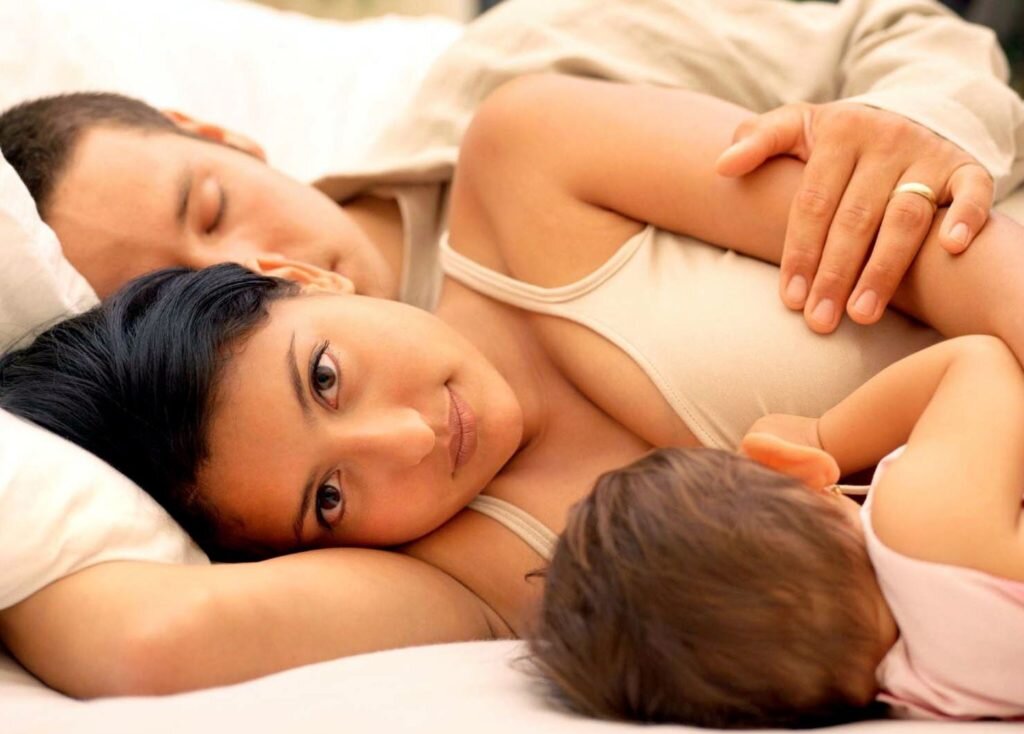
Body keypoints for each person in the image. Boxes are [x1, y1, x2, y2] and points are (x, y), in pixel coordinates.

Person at [5, 74, 1024, 701]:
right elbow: (144, 640)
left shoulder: (532, 155)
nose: (408, 439)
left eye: (325, 377)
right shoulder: (469, 576)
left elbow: (933, 240)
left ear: (301, 278)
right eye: (329, 496)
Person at [0, 0, 1018, 337]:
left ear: (221, 137)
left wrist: (914, 125)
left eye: (214, 206)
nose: (258, 264)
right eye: (187, 295)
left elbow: (893, 28)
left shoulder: (529, 63)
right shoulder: (389, 455)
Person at [530, 333, 1024, 725]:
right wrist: (822, 433)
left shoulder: (935, 695)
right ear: (792, 468)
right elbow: (978, 362)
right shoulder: (918, 524)